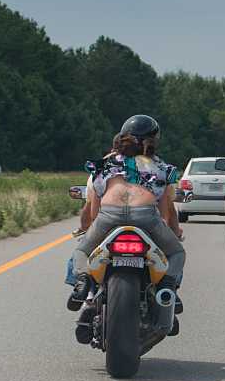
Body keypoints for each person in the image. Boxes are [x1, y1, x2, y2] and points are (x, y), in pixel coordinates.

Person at [68, 115, 185, 314]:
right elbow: (163, 212)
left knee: (81, 252)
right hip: (146, 216)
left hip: (109, 216)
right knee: (177, 253)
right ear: (154, 141)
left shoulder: (104, 163)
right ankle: (167, 286)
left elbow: (95, 211)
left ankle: (82, 283)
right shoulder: (161, 167)